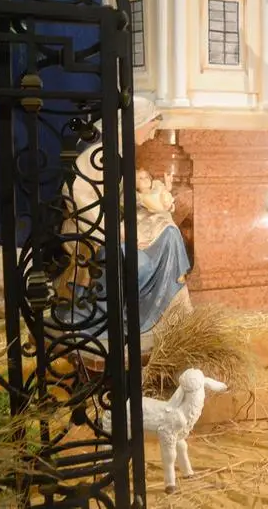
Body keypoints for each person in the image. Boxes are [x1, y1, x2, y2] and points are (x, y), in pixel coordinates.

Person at [57, 99, 191, 355]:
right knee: (145, 257)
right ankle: (133, 314)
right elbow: (77, 196)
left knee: (169, 233)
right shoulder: (101, 153)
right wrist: (114, 230)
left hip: (114, 228)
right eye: (151, 127)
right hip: (90, 234)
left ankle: (170, 313)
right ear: (136, 123)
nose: (152, 135)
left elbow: (117, 198)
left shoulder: (116, 152)